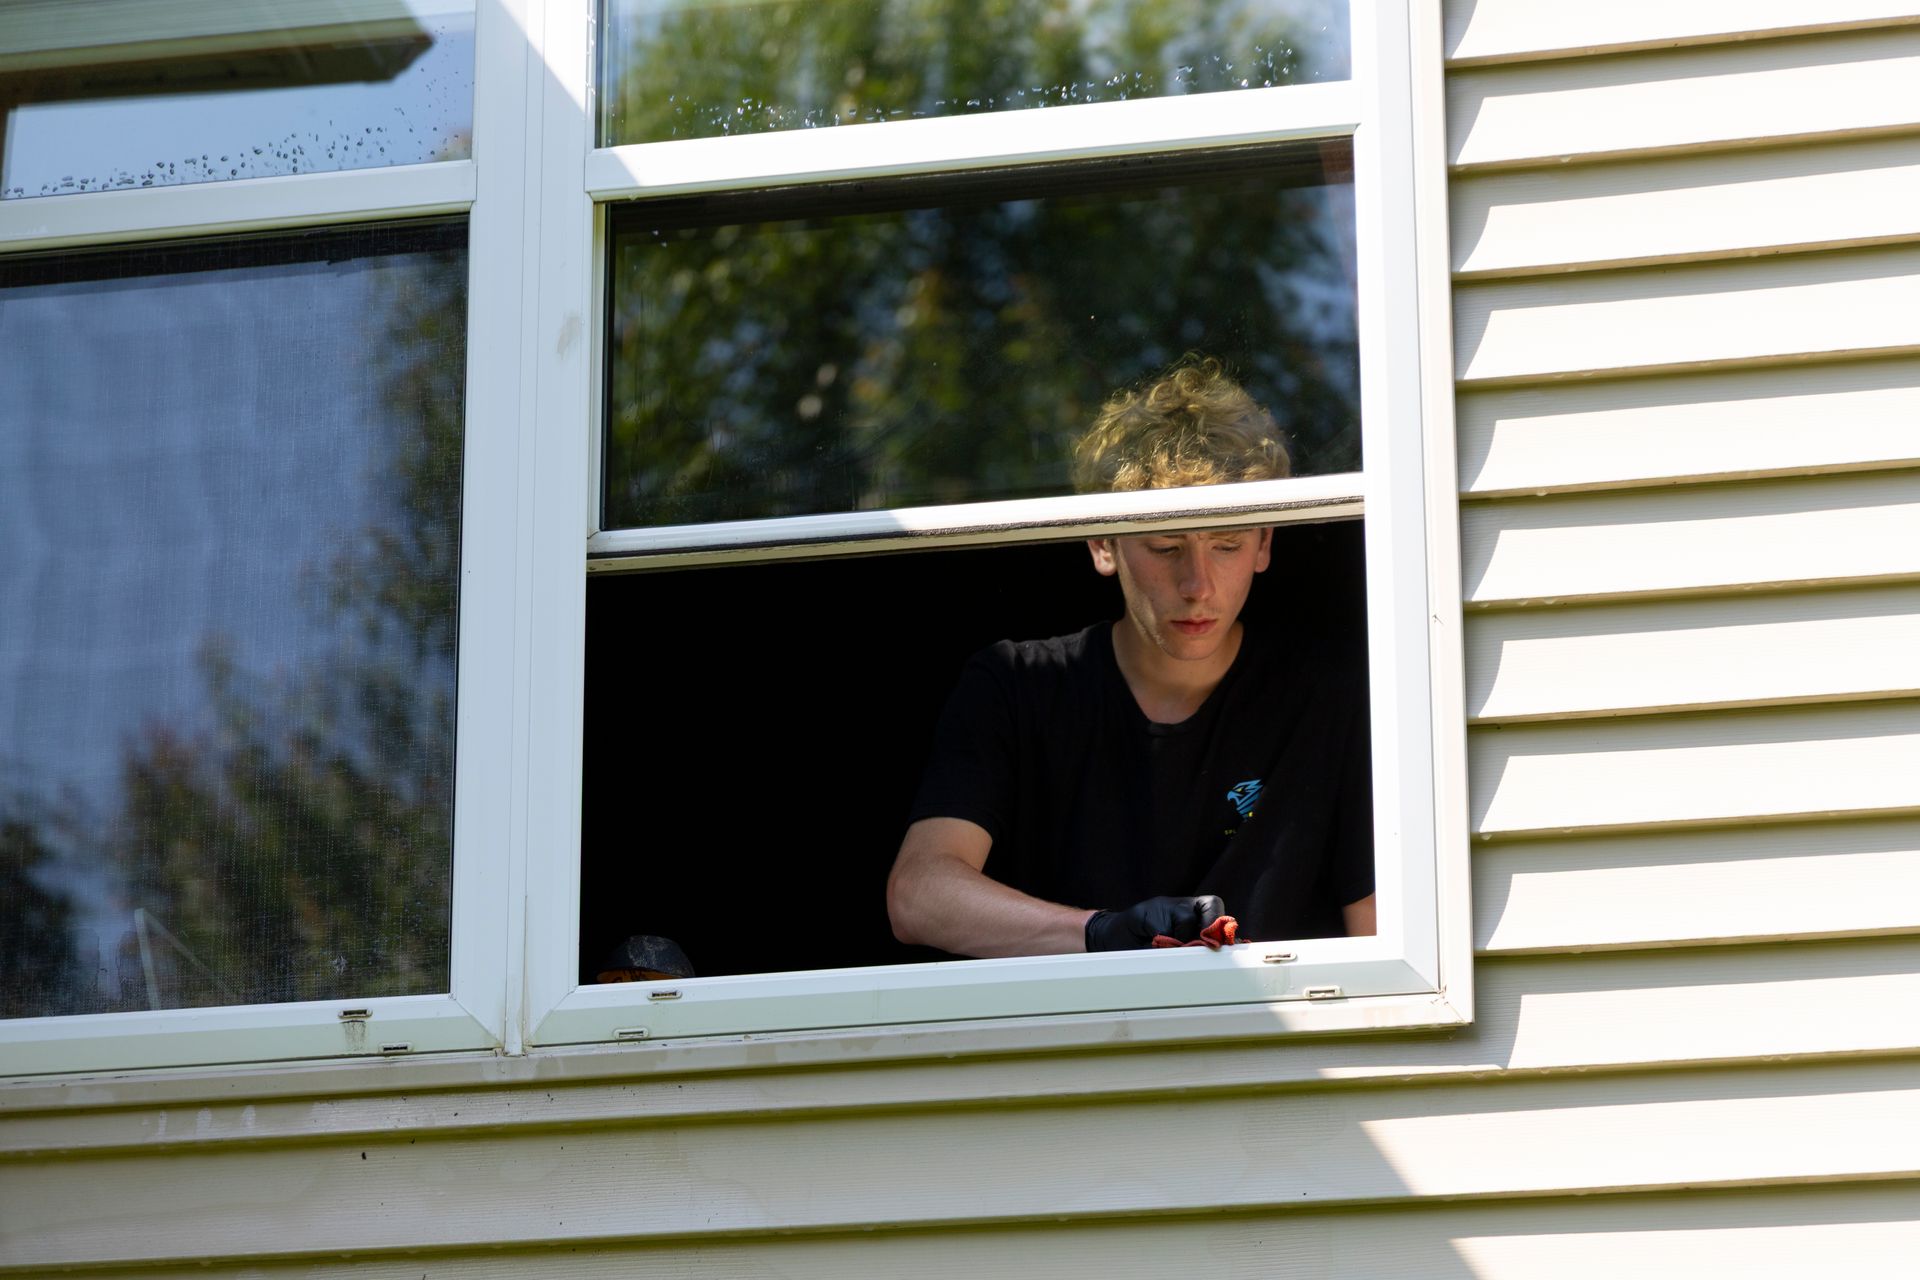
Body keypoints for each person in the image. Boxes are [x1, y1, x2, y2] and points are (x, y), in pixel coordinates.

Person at [886, 357, 1376, 957]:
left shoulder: (1335, 697)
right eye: (1165, 547)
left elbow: (1390, 938)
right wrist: (1101, 932)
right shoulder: (1018, 686)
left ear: (1265, 543)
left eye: (1226, 544)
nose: (1198, 584)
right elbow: (918, 894)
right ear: (1102, 543)